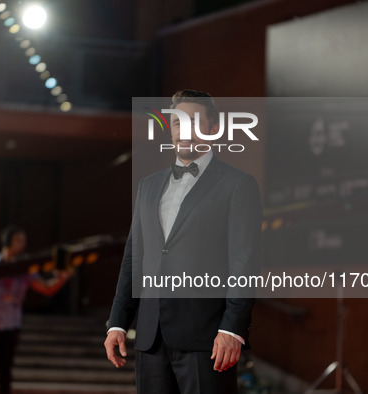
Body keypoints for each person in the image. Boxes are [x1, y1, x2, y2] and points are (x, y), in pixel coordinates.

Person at [104, 90, 263, 393]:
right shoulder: (148, 186)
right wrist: (117, 322)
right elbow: (134, 257)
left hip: (208, 338)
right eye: (177, 123)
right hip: (151, 338)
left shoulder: (238, 185)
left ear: (214, 129)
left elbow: (245, 260)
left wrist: (232, 328)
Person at [0, 225, 70, 394]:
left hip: (10, 326)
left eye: (23, 241)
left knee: (5, 372)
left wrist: (61, 278)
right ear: (8, 242)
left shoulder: (26, 268)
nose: (23, 245)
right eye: (19, 241)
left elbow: (46, 289)